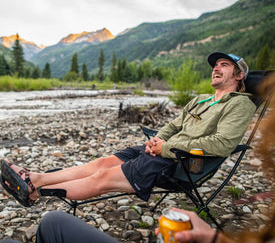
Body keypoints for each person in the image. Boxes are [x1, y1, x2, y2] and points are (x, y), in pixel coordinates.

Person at [0, 51, 255, 208]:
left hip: (181, 163)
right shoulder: (200, 98)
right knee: (102, 162)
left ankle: (34, 193)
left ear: (239, 75)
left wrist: (166, 147)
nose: (216, 68)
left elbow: (222, 144)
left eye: (224, 65)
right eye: (215, 65)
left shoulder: (240, 104)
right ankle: (36, 177)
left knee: (102, 179)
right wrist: (157, 140)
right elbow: (175, 124)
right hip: (162, 151)